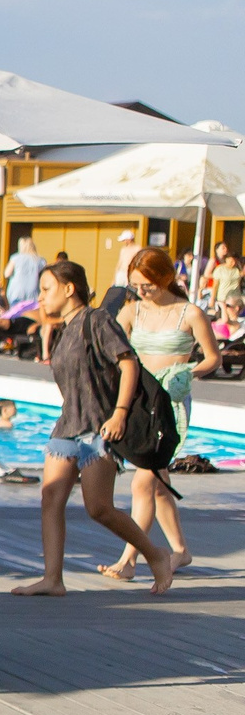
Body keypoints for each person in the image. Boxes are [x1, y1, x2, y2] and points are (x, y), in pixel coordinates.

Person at [9, 260, 173, 596]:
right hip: (67, 425)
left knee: (99, 508)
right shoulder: (64, 329)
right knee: (50, 497)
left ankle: (156, 554)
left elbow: (128, 363)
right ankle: (53, 579)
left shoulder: (96, 321)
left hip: (99, 428)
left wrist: (120, 413)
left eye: (46, 289)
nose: (40, 297)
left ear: (69, 289)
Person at [100, 247, 218, 583]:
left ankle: (129, 559)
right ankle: (181, 549)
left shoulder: (190, 313)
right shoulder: (131, 311)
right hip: (140, 402)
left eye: (147, 285)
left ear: (164, 278)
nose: (142, 291)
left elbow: (213, 358)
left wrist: (188, 372)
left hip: (170, 403)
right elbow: (109, 342)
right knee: (158, 482)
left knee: (143, 482)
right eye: (136, 285)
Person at [5, 236, 44, 310]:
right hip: (33, 293)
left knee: (16, 315)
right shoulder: (40, 260)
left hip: (17, 292)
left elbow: (7, 273)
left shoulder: (15, 258)